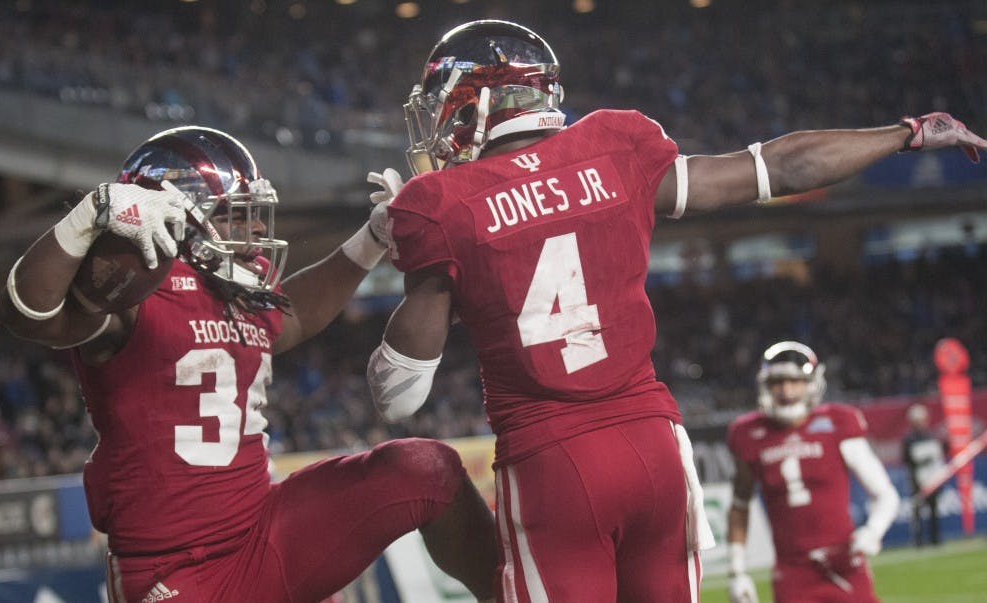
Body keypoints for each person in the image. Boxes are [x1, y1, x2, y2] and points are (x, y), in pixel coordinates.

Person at [364, 18, 985, 603]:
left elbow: (398, 397)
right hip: (656, 449)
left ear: (478, 103)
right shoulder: (616, 145)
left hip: (551, 461)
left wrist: (418, 258)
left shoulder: (439, 204)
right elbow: (777, 166)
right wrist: (907, 131)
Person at [0, 126, 498, 603]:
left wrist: (370, 240)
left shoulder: (238, 289)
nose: (257, 229)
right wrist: (91, 213)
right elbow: (29, 314)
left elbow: (295, 315)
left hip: (264, 528)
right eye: (236, 215)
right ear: (177, 217)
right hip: (178, 570)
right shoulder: (133, 289)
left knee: (427, 470)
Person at [725, 342, 900, 603]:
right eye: (777, 382)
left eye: (794, 381)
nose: (786, 390)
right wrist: (737, 571)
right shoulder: (748, 434)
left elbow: (885, 494)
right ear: (765, 385)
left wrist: (873, 531)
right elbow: (740, 506)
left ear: (812, 384)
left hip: (845, 563)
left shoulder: (837, 423)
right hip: (792, 572)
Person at [902, 403, 947, 547]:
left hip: (932, 478)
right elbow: (906, 460)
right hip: (917, 479)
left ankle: (935, 538)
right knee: (917, 511)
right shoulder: (909, 440)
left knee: (934, 509)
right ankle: (918, 540)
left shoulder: (931, 436)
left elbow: (940, 454)